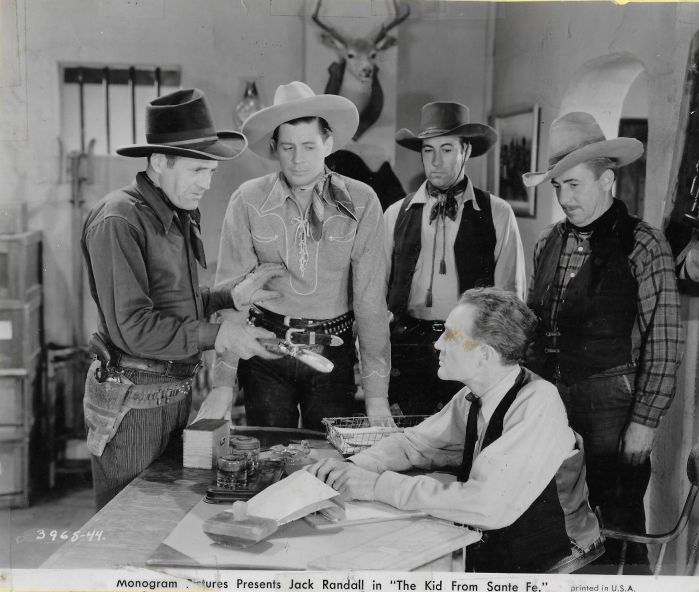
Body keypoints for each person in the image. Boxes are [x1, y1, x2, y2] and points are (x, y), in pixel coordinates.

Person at [81, 89, 282, 509]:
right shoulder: (119, 219)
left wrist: (228, 295)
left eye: (210, 171)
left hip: (172, 397)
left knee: (164, 521)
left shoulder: (173, 212)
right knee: (130, 522)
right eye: (197, 170)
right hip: (133, 406)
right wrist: (220, 336)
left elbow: (173, 306)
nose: (206, 184)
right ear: (159, 162)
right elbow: (135, 328)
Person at [309, 288, 602, 573]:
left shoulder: (538, 400)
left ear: (484, 355)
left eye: (450, 335)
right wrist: (351, 468)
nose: (438, 344)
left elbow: (486, 505)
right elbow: (414, 444)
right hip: (501, 555)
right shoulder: (473, 396)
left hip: (557, 565)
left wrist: (376, 486)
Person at [522, 111, 684, 571]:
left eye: (574, 185)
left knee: (617, 530)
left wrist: (644, 424)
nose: (564, 198)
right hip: (551, 405)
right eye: (558, 186)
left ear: (607, 180)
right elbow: (534, 327)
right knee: (553, 526)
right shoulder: (548, 242)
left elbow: (665, 343)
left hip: (613, 411)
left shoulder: (644, 244)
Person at [203, 81, 391, 431]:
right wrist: (222, 385)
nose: (298, 159)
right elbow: (233, 296)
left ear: (328, 143)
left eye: (309, 146)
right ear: (274, 147)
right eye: (288, 147)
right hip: (266, 349)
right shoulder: (248, 200)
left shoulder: (362, 202)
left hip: (332, 352)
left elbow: (370, 303)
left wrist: (376, 396)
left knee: (329, 457)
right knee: (268, 454)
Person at [384, 101, 526, 414]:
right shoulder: (395, 214)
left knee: (465, 433)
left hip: (470, 347)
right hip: (407, 350)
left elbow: (510, 299)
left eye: (447, 149)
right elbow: (378, 293)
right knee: (412, 433)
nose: (436, 161)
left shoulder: (497, 214)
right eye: (428, 150)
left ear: (466, 151)